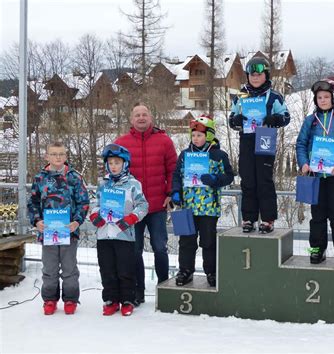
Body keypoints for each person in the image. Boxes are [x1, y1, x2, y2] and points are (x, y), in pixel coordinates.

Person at [115, 103, 177, 306]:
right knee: (135, 251)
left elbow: (173, 169)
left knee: (160, 248)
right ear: (131, 119)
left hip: (157, 206)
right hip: (132, 209)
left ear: (150, 117)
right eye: (137, 115)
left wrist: (171, 193)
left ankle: (164, 288)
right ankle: (137, 292)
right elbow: (114, 172)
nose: (141, 118)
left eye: (144, 114)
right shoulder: (121, 144)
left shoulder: (164, 141)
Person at [295, 80, 334, 265]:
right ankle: (317, 248)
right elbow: (301, 143)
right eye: (319, 97)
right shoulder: (310, 120)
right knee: (317, 215)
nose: (322, 100)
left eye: (326, 97)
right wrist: (304, 163)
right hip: (315, 175)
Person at [228, 56, 290, 234]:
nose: (255, 78)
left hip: (265, 136)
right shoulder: (241, 95)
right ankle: (248, 218)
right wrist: (237, 119)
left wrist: (274, 119)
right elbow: (232, 119)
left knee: (264, 180)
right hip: (246, 138)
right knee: (247, 179)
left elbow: (286, 117)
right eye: (251, 75)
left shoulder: (274, 96)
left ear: (266, 75)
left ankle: (268, 219)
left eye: (259, 74)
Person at [28, 141, 90, 315]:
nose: (57, 157)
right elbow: (32, 202)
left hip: (69, 232)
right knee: (49, 268)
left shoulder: (74, 177)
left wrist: (77, 222)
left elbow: (83, 203)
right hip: (48, 232)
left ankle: (70, 299)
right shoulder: (40, 178)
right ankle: (49, 299)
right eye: (54, 154)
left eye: (61, 154)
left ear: (66, 156)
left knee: (70, 268)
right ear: (47, 156)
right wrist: (37, 221)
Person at [171, 115, 234, 287]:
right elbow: (177, 175)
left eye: (199, 135)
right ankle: (185, 270)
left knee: (208, 242)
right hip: (188, 206)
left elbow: (229, 176)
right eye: (193, 135)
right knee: (186, 242)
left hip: (208, 207)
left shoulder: (219, 155)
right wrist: (176, 191)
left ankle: (212, 272)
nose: (196, 138)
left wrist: (215, 178)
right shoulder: (185, 155)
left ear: (209, 135)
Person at [89, 144, 148, 316]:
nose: (114, 166)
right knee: (107, 268)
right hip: (104, 234)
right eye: (111, 163)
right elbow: (95, 204)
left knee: (125, 268)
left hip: (124, 234)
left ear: (125, 164)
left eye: (117, 162)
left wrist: (132, 218)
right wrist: (94, 215)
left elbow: (143, 205)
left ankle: (127, 300)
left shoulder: (133, 184)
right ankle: (111, 300)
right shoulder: (103, 184)